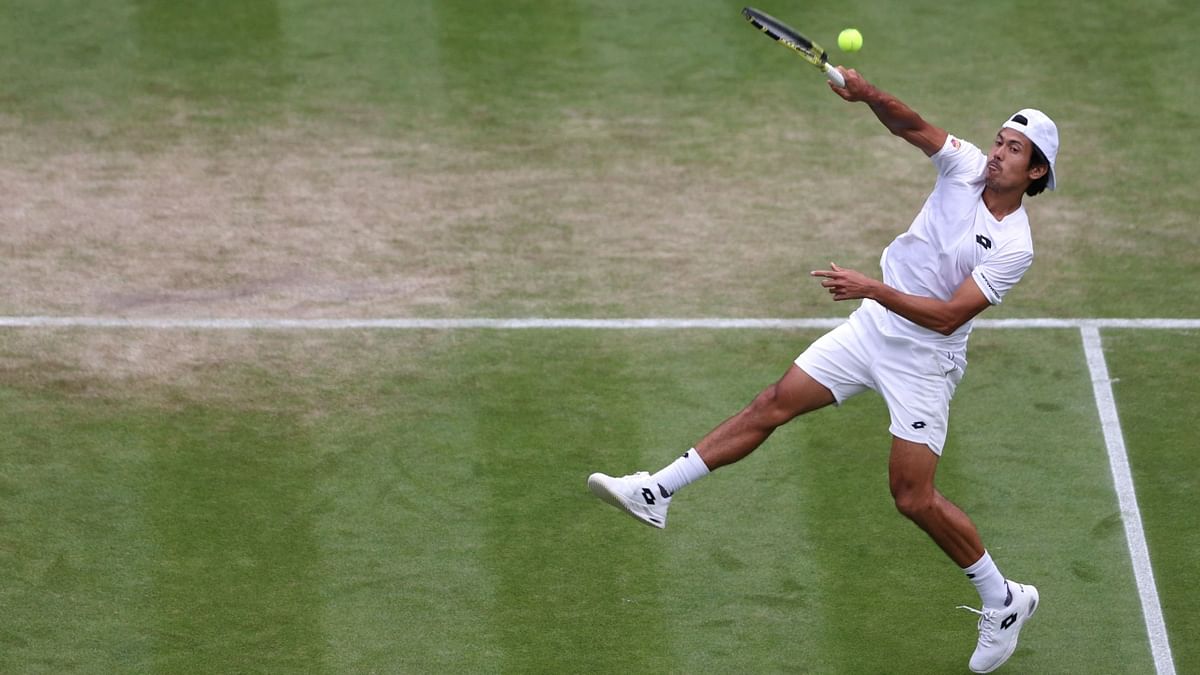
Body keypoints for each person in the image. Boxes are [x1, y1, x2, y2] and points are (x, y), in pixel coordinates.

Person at [587, 66, 1059, 674]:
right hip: (872, 330)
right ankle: (655, 490)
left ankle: (1004, 598)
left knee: (912, 497)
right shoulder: (965, 165)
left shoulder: (1016, 245)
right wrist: (867, 97)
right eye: (999, 140)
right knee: (772, 404)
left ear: (1036, 171)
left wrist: (871, 286)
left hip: (924, 360)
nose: (996, 153)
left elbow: (946, 318)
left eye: (1013, 150)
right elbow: (910, 124)